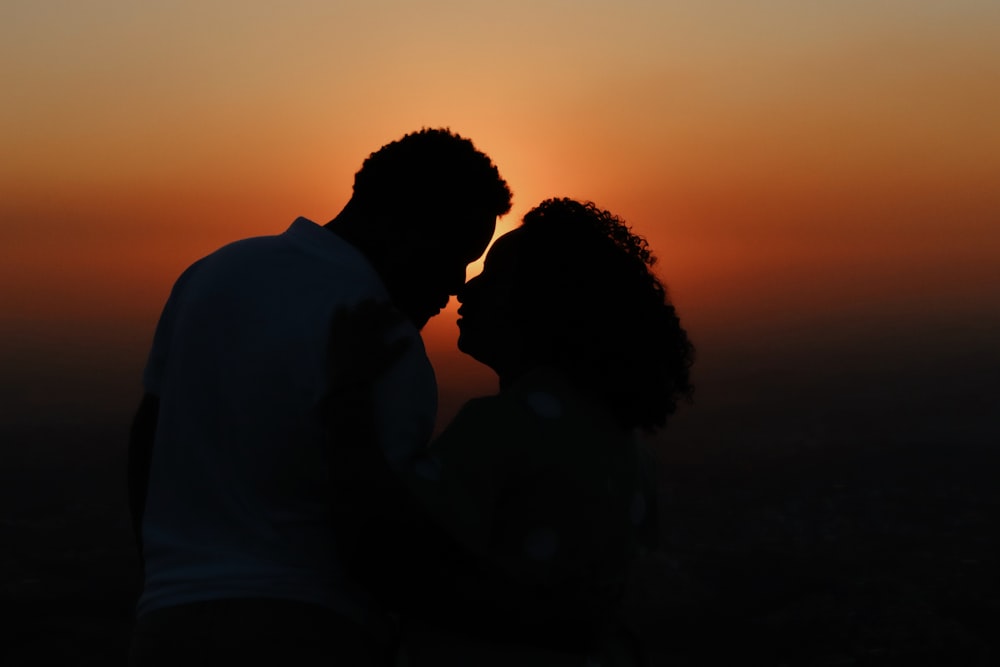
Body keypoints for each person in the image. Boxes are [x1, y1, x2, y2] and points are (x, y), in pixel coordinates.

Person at [126, 128, 512, 666]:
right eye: (454, 252)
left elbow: (149, 435)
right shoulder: (383, 338)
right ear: (402, 223)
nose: (456, 284)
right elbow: (374, 532)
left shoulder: (214, 273)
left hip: (166, 624)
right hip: (314, 627)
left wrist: (163, 577)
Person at [327, 198, 695, 666]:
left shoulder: (502, 431)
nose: (466, 289)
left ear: (540, 306)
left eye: (494, 276)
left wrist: (349, 394)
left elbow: (383, 551)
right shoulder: (628, 449)